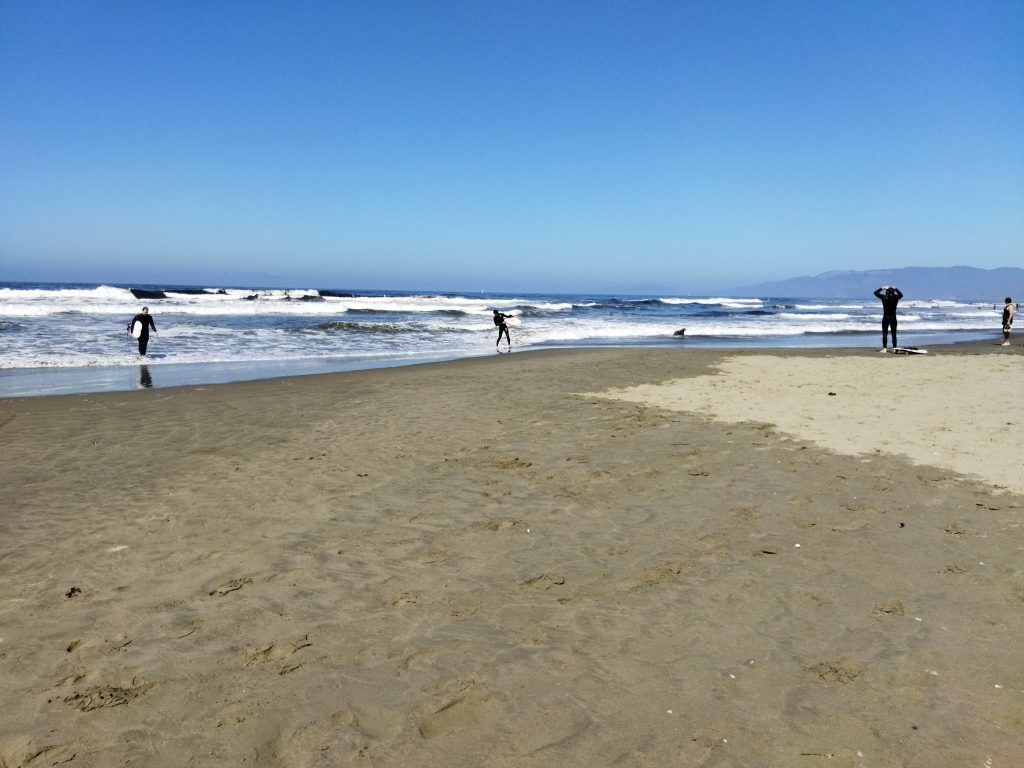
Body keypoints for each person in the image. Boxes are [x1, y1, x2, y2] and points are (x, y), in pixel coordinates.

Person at [873, 285, 903, 352]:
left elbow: (875, 293)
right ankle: (895, 349)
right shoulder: (896, 297)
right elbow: (901, 295)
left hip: (886, 317)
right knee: (894, 334)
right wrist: (896, 288)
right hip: (893, 317)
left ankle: (884, 349)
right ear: (894, 291)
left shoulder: (884, 297)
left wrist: (882, 288)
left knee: (884, 333)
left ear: (886, 291)